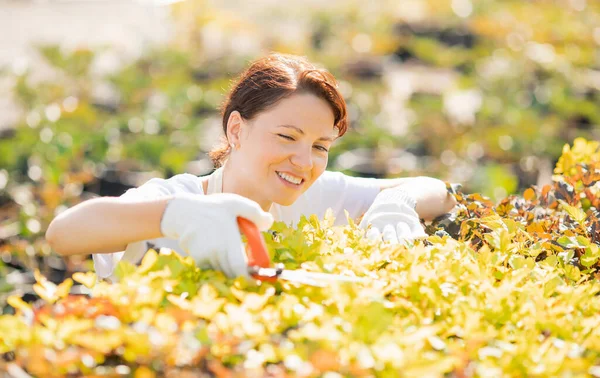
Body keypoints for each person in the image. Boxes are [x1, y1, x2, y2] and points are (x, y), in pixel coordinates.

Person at [45, 53, 456, 282]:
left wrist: (396, 200)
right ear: (237, 129)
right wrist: (175, 216)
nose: (303, 161)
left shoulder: (312, 194)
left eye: (320, 146)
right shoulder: (181, 196)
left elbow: (440, 190)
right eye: (286, 137)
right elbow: (63, 234)